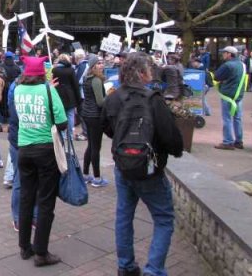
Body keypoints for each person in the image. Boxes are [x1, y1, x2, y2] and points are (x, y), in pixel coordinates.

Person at [101, 51, 183, 276]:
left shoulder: (113, 98)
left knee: (124, 215)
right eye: (149, 69)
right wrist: (173, 151)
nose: (152, 74)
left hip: (124, 165)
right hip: (149, 168)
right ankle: (153, 270)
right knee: (164, 218)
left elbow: (106, 127)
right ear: (141, 72)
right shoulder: (152, 99)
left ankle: (125, 266)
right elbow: (170, 137)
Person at [14, 56, 67, 267]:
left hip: (24, 150)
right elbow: (62, 123)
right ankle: (41, 252)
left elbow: (16, 117)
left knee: (26, 199)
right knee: (45, 201)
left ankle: (24, 247)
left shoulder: (17, 90)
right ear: (42, 74)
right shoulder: (48, 91)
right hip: (46, 150)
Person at [81, 54, 108, 187]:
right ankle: (97, 178)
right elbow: (100, 102)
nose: (101, 65)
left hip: (87, 114)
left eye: (102, 63)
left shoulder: (86, 78)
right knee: (95, 147)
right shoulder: (96, 80)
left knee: (91, 145)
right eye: (98, 63)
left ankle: (85, 174)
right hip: (95, 116)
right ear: (92, 66)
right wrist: (110, 95)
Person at [213, 46, 246, 150]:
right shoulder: (242, 65)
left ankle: (228, 141)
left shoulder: (227, 65)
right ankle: (239, 141)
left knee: (227, 118)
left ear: (229, 54)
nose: (223, 55)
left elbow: (216, 77)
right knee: (237, 118)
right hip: (238, 95)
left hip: (228, 95)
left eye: (224, 53)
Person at [51, 53, 82, 139]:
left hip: (58, 95)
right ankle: (70, 134)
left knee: (61, 114)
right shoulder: (71, 70)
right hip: (70, 94)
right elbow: (75, 85)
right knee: (70, 115)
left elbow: (52, 82)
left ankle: (63, 134)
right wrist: (78, 98)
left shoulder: (55, 70)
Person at [73, 48, 89, 141]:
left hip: (83, 94)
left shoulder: (82, 66)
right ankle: (85, 132)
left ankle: (86, 133)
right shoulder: (83, 65)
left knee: (83, 114)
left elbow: (78, 80)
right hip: (84, 93)